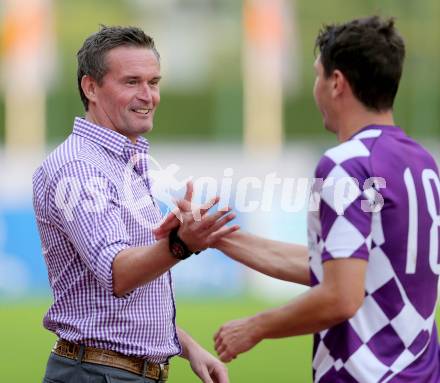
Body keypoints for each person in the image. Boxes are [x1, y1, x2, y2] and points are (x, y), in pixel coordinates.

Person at [155, 16, 440, 382]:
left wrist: (255, 326)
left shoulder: (346, 164)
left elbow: (341, 295)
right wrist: (213, 236)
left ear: (336, 83)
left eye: (318, 75)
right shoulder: (422, 162)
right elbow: (335, 266)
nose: (315, 87)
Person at [33, 25, 238, 383]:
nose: (148, 95)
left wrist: (187, 346)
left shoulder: (118, 161)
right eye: (132, 82)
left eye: (153, 82)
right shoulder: (79, 167)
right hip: (98, 374)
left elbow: (126, 305)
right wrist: (180, 245)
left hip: (109, 371)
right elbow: (118, 273)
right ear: (90, 87)